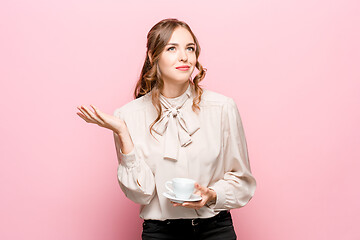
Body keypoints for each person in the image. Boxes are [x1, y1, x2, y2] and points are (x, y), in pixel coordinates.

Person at [77, 18, 256, 240]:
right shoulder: (128, 116)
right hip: (160, 232)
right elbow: (141, 194)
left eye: (190, 48)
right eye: (172, 48)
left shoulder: (222, 107)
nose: (184, 57)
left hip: (215, 230)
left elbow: (242, 179)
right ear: (153, 56)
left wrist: (212, 195)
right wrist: (122, 131)